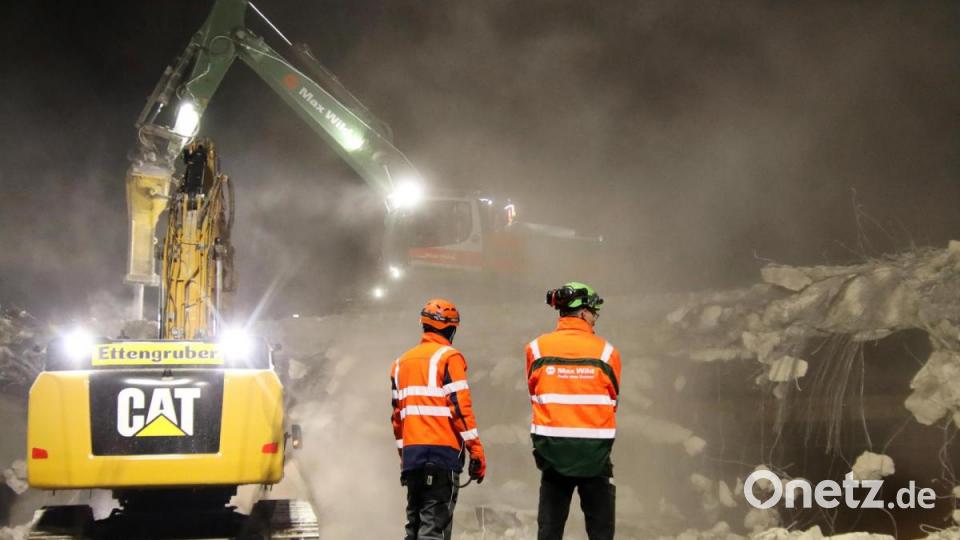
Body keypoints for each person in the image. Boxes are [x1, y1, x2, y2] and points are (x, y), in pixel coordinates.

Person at [525, 282, 621, 540]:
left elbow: (535, 395)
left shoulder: (536, 349)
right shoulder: (607, 352)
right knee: (600, 532)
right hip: (596, 456)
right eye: (594, 312)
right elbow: (612, 401)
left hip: (552, 453)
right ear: (583, 313)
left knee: (550, 531)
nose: (594, 319)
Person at [390, 299, 486, 540]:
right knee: (434, 529)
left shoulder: (401, 364)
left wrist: (405, 459)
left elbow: (397, 419)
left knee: (414, 527)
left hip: (413, 457)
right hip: (442, 455)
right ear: (451, 329)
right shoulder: (449, 358)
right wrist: (476, 450)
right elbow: (460, 409)